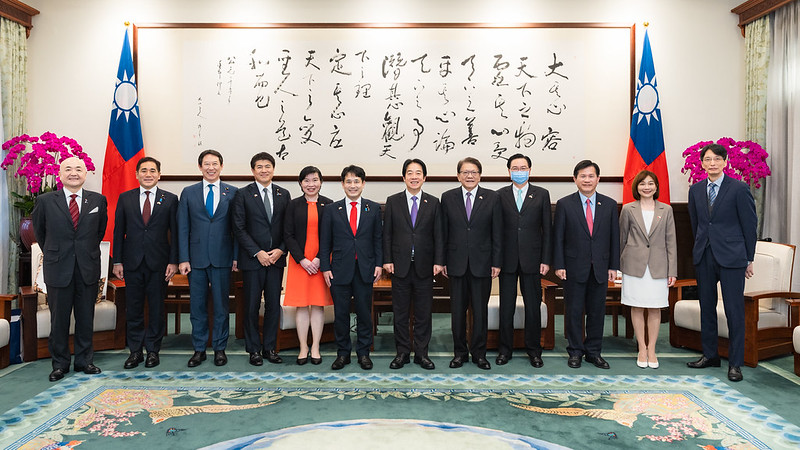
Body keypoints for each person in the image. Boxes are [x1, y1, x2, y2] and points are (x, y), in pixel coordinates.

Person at [32, 157, 108, 382]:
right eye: (68, 169)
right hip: (58, 268)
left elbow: (99, 232)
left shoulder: (98, 200)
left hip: (87, 267)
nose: (73, 173)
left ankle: (85, 361)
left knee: (86, 317)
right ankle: (60, 364)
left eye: (78, 169)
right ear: (60, 174)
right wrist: (58, 254)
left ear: (86, 173)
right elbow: (40, 233)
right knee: (59, 320)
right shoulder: (45, 201)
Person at [686, 143, 757, 382]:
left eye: (717, 159)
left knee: (733, 310)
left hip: (733, 257)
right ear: (702, 163)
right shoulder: (695, 190)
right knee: (706, 307)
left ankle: (735, 363)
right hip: (704, 254)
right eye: (707, 159)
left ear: (725, 162)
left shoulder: (738, 188)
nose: (712, 163)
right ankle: (710, 355)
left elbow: (749, 225)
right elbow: (696, 225)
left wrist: (749, 258)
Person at [112, 156, 178, 370]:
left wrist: (173, 261)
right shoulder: (125, 198)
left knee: (157, 308)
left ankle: (152, 351)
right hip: (132, 262)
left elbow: (175, 234)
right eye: (144, 170)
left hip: (159, 263)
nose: (148, 174)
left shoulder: (170, 199)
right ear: (137, 174)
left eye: (152, 171)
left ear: (159, 174)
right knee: (134, 308)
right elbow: (118, 231)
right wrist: (118, 261)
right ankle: (135, 352)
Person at [553, 160, 619, 370]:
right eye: (583, 176)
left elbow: (614, 238)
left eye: (591, 176)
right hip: (573, 268)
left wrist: (613, 266)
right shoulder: (565, 204)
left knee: (597, 312)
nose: (587, 180)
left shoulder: (609, 205)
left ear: (598, 179)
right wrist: (559, 264)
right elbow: (558, 238)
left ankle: (593, 352)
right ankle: (575, 352)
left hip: (600, 268)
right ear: (575, 179)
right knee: (573, 311)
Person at [178, 149, 238, 368]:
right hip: (196, 259)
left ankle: (220, 348)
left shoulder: (233, 192)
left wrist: (236, 257)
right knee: (197, 306)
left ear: (221, 166)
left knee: (222, 306)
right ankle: (199, 349)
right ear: (200, 167)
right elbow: (182, 228)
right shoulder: (189, 192)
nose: (211, 168)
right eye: (206, 164)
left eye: (215, 164)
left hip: (223, 257)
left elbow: (237, 229)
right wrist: (183, 258)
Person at [382, 159, 444, 370]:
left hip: (425, 266)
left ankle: (421, 353)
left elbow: (439, 235)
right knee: (399, 313)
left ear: (424, 178)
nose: (414, 176)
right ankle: (402, 353)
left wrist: (439, 261)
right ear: (404, 177)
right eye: (410, 173)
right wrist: (387, 259)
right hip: (399, 266)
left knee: (423, 313)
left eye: (418, 173)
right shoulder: (393, 201)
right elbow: (387, 234)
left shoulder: (434, 203)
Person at [319, 165, 383, 370]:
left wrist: (379, 265)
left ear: (363, 184)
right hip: (339, 270)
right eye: (349, 181)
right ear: (342, 184)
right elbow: (325, 243)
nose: (353, 185)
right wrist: (326, 268)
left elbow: (378, 240)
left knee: (364, 313)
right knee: (341, 314)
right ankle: (343, 353)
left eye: (357, 181)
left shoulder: (372, 208)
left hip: (365, 269)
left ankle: (363, 353)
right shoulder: (331, 209)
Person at [441, 157, 502, 370]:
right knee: (457, 313)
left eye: (474, 172)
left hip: (483, 264)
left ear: (480, 175)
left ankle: (479, 354)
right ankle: (459, 353)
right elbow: (443, 233)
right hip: (456, 264)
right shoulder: (448, 198)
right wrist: (442, 261)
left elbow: (497, 232)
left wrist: (496, 261)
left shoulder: (492, 198)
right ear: (458, 175)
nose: (469, 176)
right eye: (465, 172)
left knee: (480, 312)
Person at [232, 152, 290, 366]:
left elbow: (288, 229)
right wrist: (258, 252)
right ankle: (254, 349)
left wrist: (280, 250)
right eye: (259, 167)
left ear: (273, 169)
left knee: (273, 305)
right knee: (252, 306)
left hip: (276, 259)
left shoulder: (283, 194)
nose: (264, 170)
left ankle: (270, 348)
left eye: (267, 166)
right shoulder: (242, 194)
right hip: (253, 260)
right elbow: (238, 227)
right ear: (253, 170)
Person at [496, 153, 551, 368]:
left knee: (533, 307)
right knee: (506, 307)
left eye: (523, 167)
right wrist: (496, 260)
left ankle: (534, 351)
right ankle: (504, 350)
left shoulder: (541, 194)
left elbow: (547, 230)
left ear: (530, 170)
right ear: (509, 171)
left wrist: (546, 259)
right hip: (507, 260)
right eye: (515, 168)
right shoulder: (499, 195)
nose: (519, 171)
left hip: (533, 260)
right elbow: (496, 231)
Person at [619, 170, 677, 369]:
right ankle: (641, 348)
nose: (646, 187)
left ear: (656, 187)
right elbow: (622, 239)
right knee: (636, 306)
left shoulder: (666, 210)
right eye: (642, 183)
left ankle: (652, 349)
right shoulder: (628, 209)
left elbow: (671, 242)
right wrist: (618, 267)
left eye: (650, 183)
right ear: (636, 187)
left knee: (654, 308)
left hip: (658, 266)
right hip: (633, 265)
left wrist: (672, 270)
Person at [284, 166, 333, 365]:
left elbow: (331, 236)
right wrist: (302, 259)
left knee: (318, 304)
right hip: (299, 263)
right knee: (302, 305)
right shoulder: (293, 205)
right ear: (300, 183)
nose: (310, 184)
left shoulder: (329, 205)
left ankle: (316, 347)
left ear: (321, 182)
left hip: (322, 261)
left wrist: (320, 259)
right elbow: (287, 234)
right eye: (306, 180)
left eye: (314, 180)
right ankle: (303, 346)